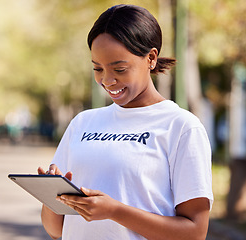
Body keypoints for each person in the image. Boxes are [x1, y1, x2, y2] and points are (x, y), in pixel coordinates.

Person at [38, 4, 213, 240]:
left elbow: (195, 233)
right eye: (97, 68)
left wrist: (114, 211)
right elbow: (56, 229)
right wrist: (52, 195)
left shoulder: (181, 127)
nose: (107, 81)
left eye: (119, 69)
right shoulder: (82, 123)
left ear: (151, 58)